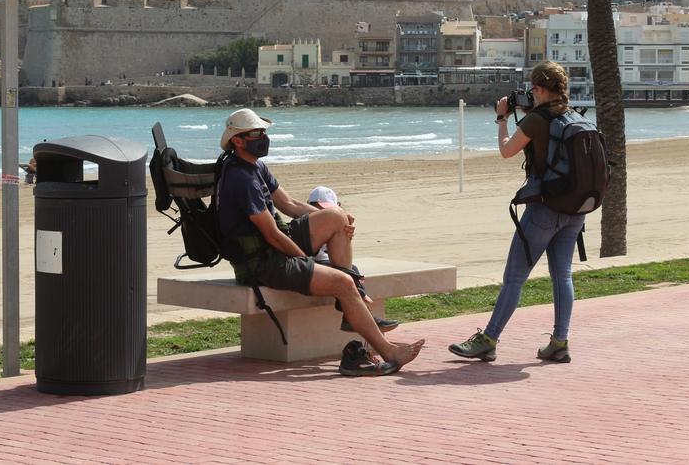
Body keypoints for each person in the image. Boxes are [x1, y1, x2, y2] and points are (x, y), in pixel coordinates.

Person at [217, 109, 422, 374]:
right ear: (237, 140)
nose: (263, 138)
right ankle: (389, 350)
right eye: (256, 133)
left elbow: (289, 205)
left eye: (264, 132)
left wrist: (335, 217)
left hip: (277, 247)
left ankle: (352, 307)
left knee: (336, 217)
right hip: (263, 263)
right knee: (344, 284)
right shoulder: (240, 179)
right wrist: (306, 261)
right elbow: (272, 235)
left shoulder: (255, 166)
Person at [449, 61, 583, 364]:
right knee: (562, 275)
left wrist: (501, 119)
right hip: (575, 210)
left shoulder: (537, 119)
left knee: (514, 277)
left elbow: (507, 150)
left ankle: (489, 339)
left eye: (532, 89)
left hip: (545, 209)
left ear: (538, 89)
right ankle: (559, 342)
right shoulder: (574, 116)